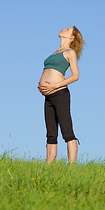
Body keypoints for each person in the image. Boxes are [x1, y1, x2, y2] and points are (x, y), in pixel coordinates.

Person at [38, 26, 85, 164]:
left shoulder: (70, 52)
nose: (63, 29)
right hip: (48, 96)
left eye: (68, 29)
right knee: (51, 134)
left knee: (67, 132)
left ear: (71, 37)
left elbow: (75, 76)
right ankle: (49, 166)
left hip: (60, 94)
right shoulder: (54, 53)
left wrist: (54, 85)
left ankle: (71, 167)